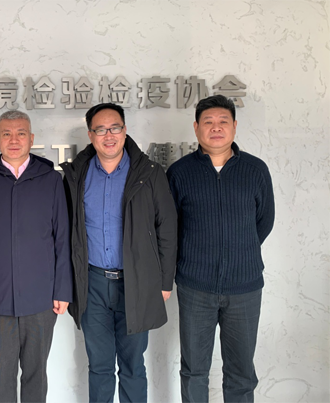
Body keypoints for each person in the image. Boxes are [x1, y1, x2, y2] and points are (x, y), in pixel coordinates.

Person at [60, 103, 177, 403]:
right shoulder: (76, 175)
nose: (108, 135)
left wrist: (165, 282)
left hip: (136, 282)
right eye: (100, 130)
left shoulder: (150, 173)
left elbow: (167, 228)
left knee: (133, 366)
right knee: (99, 366)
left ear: (125, 131)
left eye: (115, 128)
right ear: (90, 135)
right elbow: (64, 232)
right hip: (92, 283)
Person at [166, 95, 275, 403]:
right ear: (196, 128)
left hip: (244, 288)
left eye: (223, 121)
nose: (216, 128)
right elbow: (171, 227)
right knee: (194, 370)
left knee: (241, 372)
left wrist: (239, 250)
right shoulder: (179, 172)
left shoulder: (255, 170)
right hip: (195, 287)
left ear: (234, 126)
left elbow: (264, 221)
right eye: (208, 122)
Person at [0, 110, 72, 403]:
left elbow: (63, 238)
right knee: (2, 373)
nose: (14, 140)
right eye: (7, 134)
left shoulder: (51, 180)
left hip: (41, 297)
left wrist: (62, 290)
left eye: (20, 133)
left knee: (36, 372)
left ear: (31, 138)